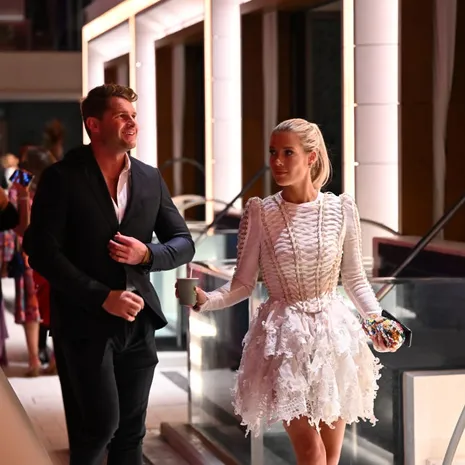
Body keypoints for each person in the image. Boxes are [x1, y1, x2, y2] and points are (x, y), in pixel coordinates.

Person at [177, 118, 396, 465]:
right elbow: (243, 284)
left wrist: (378, 320)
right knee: (311, 452)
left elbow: (354, 279)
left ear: (311, 157)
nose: (277, 161)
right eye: (273, 152)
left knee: (330, 457)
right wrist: (208, 300)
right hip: (283, 338)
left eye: (287, 153)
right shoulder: (260, 213)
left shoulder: (341, 209)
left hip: (333, 337)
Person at [23, 83, 195, 465]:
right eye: (121, 116)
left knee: (131, 434)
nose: (132, 123)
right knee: (99, 426)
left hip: (139, 323)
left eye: (134, 115)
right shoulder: (62, 177)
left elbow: (183, 242)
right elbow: (42, 252)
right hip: (83, 323)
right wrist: (102, 296)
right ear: (94, 125)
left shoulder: (149, 178)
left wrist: (147, 254)